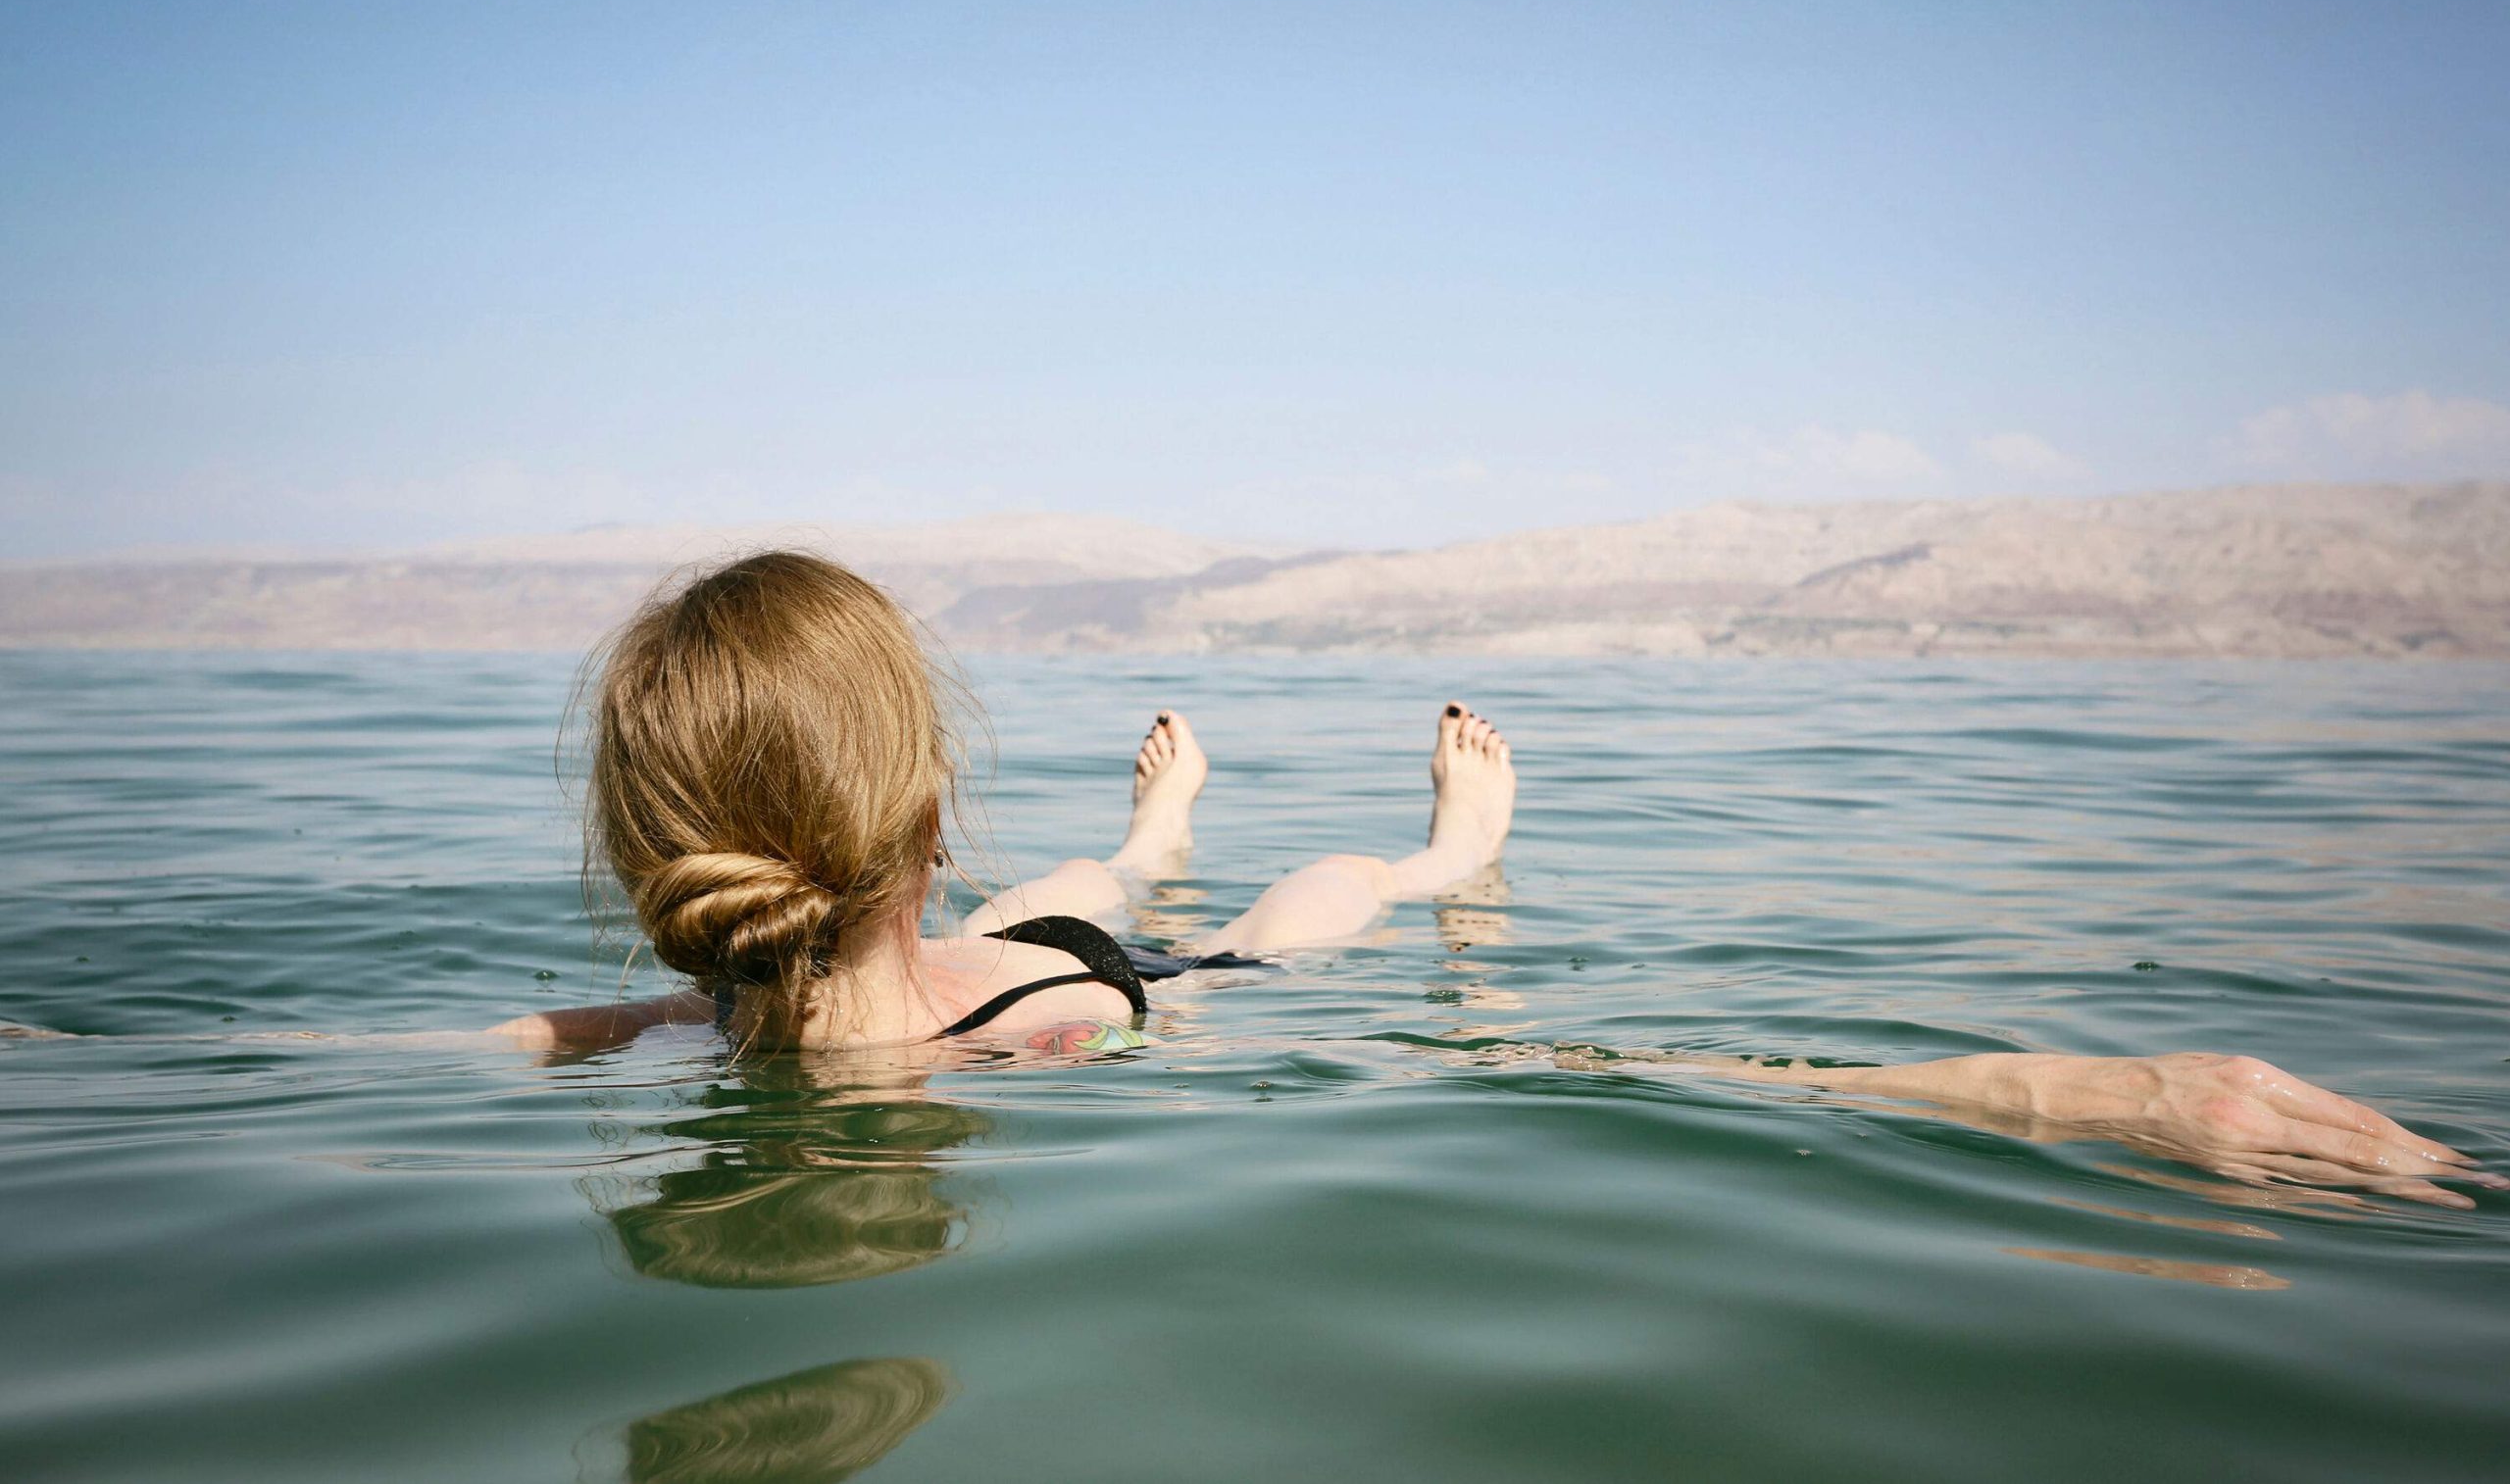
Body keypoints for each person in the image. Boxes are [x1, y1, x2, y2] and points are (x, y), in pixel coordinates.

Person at [489, 551, 2497, 1209]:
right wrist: (2074, 1091)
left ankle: (1162, 823)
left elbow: (566, 1024)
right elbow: (1607, 1075)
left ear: (658, 866)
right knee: (1283, 920)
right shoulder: (1051, 1053)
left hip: (982, 948)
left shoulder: (686, 1015)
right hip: (1080, 972)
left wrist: (557, 1022)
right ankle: (1445, 856)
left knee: (1100, 869)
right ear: (919, 824)